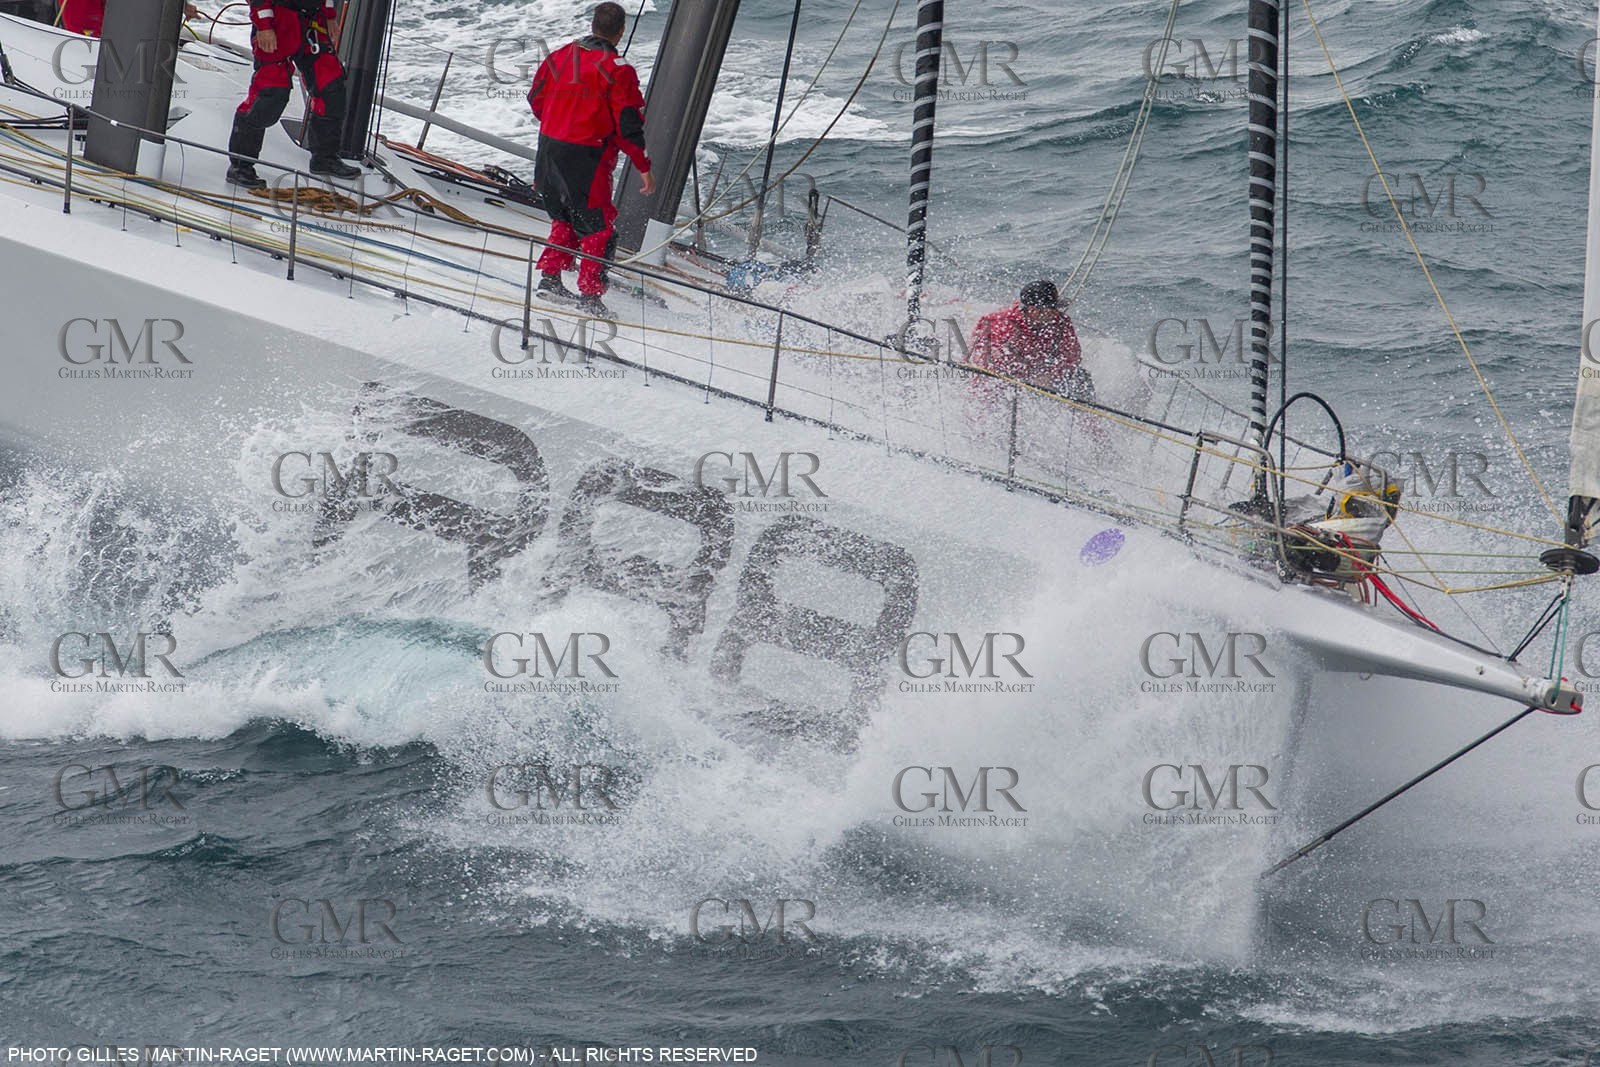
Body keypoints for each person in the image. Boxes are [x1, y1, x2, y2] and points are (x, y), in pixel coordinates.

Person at [528, 1, 655, 319]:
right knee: (598, 228)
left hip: (549, 148)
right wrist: (643, 167)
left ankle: (550, 279)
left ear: (593, 25)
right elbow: (628, 125)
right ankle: (589, 295)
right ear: (621, 31)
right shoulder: (619, 69)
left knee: (563, 215)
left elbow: (536, 98)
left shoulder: (561, 55)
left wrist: (559, 123)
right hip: (586, 156)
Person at [224, 0, 361, 189]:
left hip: (313, 23)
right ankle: (240, 166)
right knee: (270, 95)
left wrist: (329, 16)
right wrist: (264, 26)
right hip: (278, 22)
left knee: (331, 87)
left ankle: (325, 158)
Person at [967, 280, 1093, 402]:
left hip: (1042, 373)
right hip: (1003, 376)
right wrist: (1027, 378)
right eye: (1050, 309)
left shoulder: (1061, 322)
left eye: (1054, 308)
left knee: (1081, 376)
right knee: (999, 387)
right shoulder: (1004, 323)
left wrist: (1051, 374)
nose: (1055, 313)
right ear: (1034, 310)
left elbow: (1072, 356)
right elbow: (989, 358)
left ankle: (1086, 414)